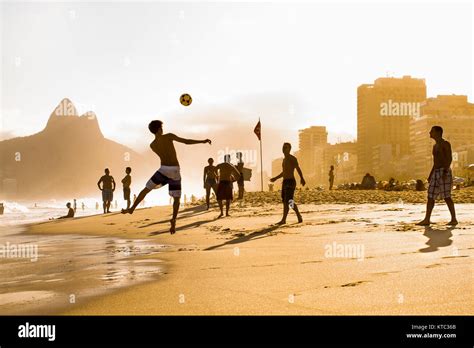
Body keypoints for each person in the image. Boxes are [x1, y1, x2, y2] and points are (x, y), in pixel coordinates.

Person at [121, 120, 211, 234]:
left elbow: (163, 154)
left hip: (163, 170)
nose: (163, 129)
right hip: (174, 170)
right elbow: (186, 142)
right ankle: (173, 219)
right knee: (176, 198)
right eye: (161, 128)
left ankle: (132, 208)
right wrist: (202, 141)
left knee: (146, 189)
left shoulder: (152, 145)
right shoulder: (169, 136)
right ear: (159, 129)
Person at [417, 126, 457, 226]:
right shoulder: (435, 146)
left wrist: (445, 172)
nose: (429, 133)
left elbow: (449, 158)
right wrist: (430, 175)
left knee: (447, 196)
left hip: (444, 171)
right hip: (436, 172)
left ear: (438, 132)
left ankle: (454, 219)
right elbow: (435, 162)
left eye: (432, 131)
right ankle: (427, 219)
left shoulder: (445, 144)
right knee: (430, 195)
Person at [270, 142, 305, 224]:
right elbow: (284, 172)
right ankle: (296, 216)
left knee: (288, 201)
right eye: (283, 147)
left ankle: (285, 219)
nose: (284, 148)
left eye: (286, 147)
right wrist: (275, 178)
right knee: (287, 201)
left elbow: (298, 168)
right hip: (285, 182)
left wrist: (302, 178)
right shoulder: (284, 160)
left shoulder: (292, 158)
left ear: (289, 149)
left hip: (291, 181)